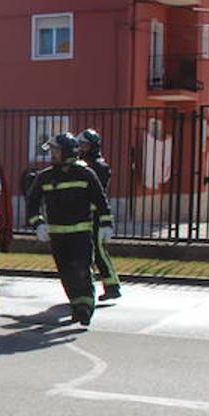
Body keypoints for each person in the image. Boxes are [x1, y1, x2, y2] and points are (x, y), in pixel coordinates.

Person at [25, 133, 113, 326]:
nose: (52, 155)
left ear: (66, 152)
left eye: (55, 151)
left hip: (80, 234)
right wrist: (38, 223)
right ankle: (77, 305)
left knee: (81, 270)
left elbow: (100, 201)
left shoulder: (86, 174)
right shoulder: (45, 177)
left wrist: (106, 224)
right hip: (57, 235)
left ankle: (85, 307)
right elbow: (32, 202)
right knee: (66, 273)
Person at [77, 128, 122, 301]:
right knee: (89, 251)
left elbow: (96, 192)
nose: (81, 147)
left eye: (84, 145)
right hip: (83, 214)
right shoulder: (85, 163)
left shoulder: (98, 166)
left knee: (98, 250)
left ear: (93, 146)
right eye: (80, 144)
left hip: (94, 214)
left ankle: (112, 285)